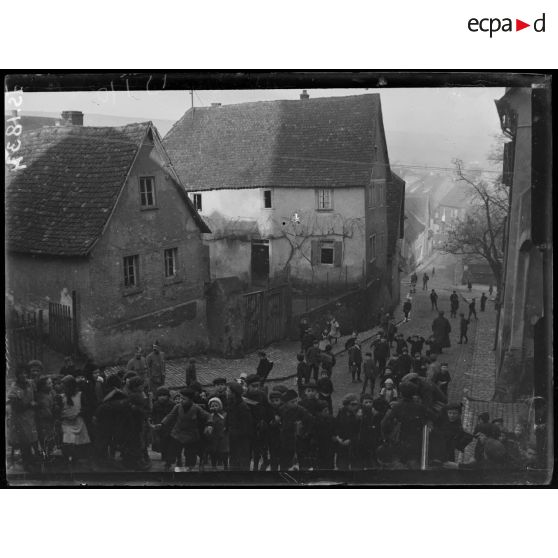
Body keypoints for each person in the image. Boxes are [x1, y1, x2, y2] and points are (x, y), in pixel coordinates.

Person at [381, 382, 433, 467]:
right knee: (415, 463)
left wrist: (386, 438)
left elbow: (384, 423)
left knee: (401, 463)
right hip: (417, 440)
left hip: (401, 440)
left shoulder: (397, 407)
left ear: (401, 393)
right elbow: (433, 417)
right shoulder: (420, 407)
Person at [159, 387, 212, 471]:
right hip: (177, 432)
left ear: (190, 399)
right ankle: (168, 464)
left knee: (190, 453)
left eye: (184, 399)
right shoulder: (177, 407)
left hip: (191, 434)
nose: (181, 400)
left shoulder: (196, 408)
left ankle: (189, 467)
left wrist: (209, 425)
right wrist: (162, 424)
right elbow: (170, 416)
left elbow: (208, 415)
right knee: (172, 450)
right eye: (180, 398)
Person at [8, 366, 39, 471]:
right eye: (21, 373)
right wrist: (30, 404)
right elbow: (16, 407)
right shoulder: (14, 388)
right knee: (24, 440)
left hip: (30, 417)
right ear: (17, 375)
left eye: (25, 373)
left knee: (32, 438)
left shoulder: (30, 383)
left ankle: (33, 459)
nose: (24, 375)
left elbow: (36, 395)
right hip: (19, 418)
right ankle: (27, 462)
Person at [57, 375, 91, 464]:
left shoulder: (80, 395)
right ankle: (67, 457)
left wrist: (79, 413)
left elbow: (86, 407)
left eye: (66, 386)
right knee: (67, 441)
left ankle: (76, 458)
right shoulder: (61, 397)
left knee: (78, 442)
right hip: (66, 422)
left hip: (77, 421)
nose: (64, 388)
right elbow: (59, 410)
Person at [244, 374, 272, 471]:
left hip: (261, 427)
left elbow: (268, 409)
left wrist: (266, 421)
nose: (256, 388)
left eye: (258, 386)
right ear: (247, 386)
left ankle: (259, 465)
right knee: (249, 450)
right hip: (248, 428)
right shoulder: (244, 397)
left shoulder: (262, 395)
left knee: (260, 449)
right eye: (253, 386)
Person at [226, 381, 253, 470]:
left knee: (242, 464)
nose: (227, 392)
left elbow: (246, 428)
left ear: (234, 393)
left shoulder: (243, 407)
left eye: (228, 391)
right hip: (233, 440)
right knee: (233, 462)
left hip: (242, 442)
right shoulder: (231, 404)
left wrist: (233, 432)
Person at [335, 394, 361, 470]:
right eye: (352, 404)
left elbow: (359, 430)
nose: (355, 406)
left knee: (356, 467)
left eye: (356, 404)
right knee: (342, 466)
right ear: (347, 404)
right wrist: (338, 437)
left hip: (354, 444)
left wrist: (351, 440)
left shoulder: (359, 414)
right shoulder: (342, 412)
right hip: (342, 443)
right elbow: (337, 425)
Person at [35, 376, 57, 462]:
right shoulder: (40, 396)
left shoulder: (51, 392)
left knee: (51, 437)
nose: (52, 384)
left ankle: (48, 453)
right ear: (43, 386)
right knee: (44, 438)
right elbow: (45, 409)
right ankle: (46, 455)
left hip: (50, 419)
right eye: (49, 383)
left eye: (51, 382)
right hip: (43, 420)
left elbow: (54, 402)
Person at [150, 387, 174, 465]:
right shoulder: (156, 404)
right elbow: (153, 414)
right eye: (160, 395)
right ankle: (164, 456)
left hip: (169, 426)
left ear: (168, 396)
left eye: (164, 395)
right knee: (162, 442)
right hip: (159, 425)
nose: (162, 397)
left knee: (169, 442)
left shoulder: (172, 404)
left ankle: (170, 457)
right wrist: (153, 422)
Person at [205, 397, 229, 470]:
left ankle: (225, 466)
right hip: (213, 438)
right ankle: (214, 466)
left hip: (223, 437)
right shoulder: (210, 416)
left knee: (224, 453)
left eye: (216, 405)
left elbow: (227, 424)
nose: (214, 407)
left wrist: (226, 428)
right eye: (212, 406)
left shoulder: (225, 415)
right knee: (213, 453)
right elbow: (208, 424)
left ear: (220, 406)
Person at [314, 401, 336, 470]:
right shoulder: (315, 421)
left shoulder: (331, 419)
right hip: (320, 447)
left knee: (330, 465)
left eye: (328, 410)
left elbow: (336, 429)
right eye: (325, 411)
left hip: (329, 447)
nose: (327, 412)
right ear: (319, 412)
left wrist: (334, 435)